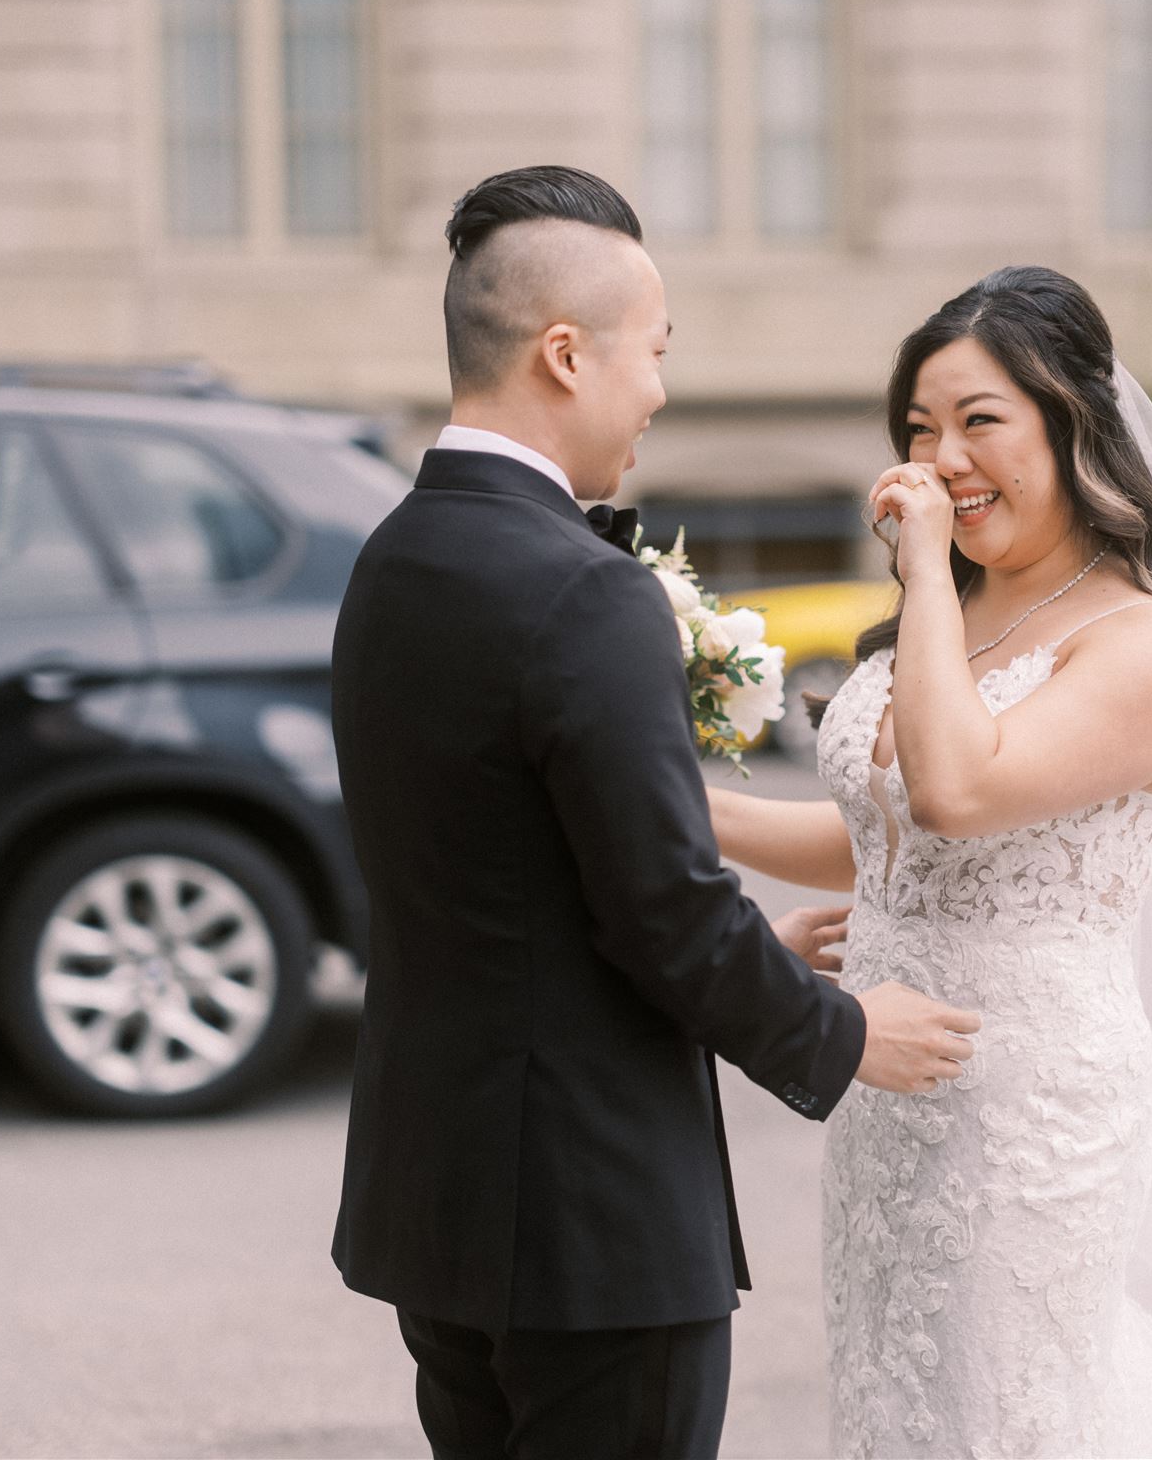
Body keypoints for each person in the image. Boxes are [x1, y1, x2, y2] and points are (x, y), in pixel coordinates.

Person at [710, 266, 1152, 1457]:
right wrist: (664, 808)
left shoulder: (1147, 645)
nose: (940, 457)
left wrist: (925, 575)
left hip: (1027, 1111)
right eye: (916, 430)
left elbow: (954, 792)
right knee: (901, 1400)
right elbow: (882, 844)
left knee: (1012, 1414)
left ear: (1070, 425)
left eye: (978, 422)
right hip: (888, 1100)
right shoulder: (955, 615)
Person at [328, 165, 981, 1460]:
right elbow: (664, 913)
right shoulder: (582, 590)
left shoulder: (390, 559)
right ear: (566, 355)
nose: (661, 392)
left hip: (442, 1203)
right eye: (656, 353)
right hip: (589, 1227)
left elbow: (503, 872)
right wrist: (842, 1033)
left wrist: (747, 950)